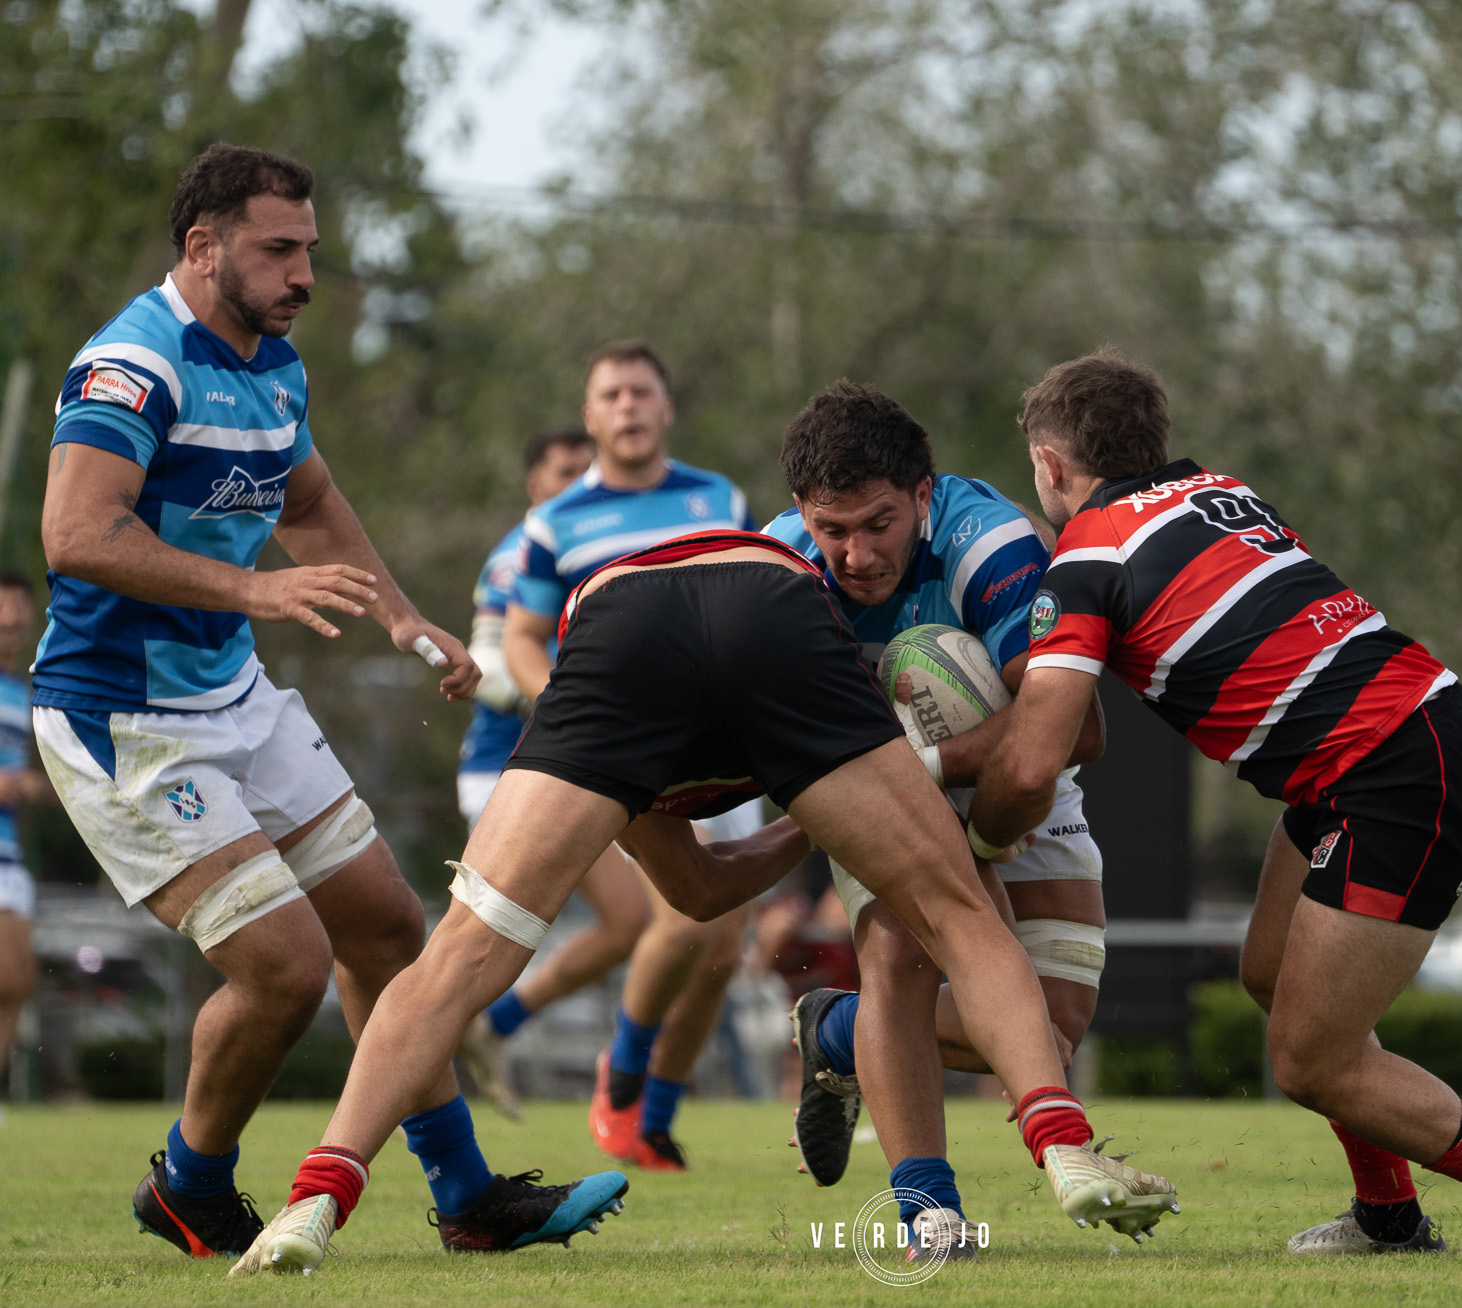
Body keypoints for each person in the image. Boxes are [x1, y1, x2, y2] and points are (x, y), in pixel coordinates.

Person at [229, 527, 1177, 1277]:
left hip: (617, 630)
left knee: (461, 955)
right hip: (767, 605)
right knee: (957, 914)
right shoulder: (792, 586)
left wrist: (823, 816)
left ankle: (319, 1190)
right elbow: (705, 892)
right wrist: (834, 815)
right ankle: (1065, 1144)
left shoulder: (620, 693)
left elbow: (695, 889)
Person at [34, 142, 620, 1260]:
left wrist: (402, 617)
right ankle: (189, 1186)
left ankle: (466, 1197)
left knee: (393, 928)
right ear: (203, 247)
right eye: (280, 249)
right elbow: (75, 533)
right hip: (125, 720)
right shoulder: (130, 366)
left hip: (234, 695)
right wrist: (252, 586)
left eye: (311, 249)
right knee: (286, 967)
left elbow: (308, 497)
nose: (306, 273)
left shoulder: (274, 365)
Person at [968, 348, 1462, 1261]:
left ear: (1051, 465)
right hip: (1382, 747)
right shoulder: (1221, 492)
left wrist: (974, 844)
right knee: (1269, 975)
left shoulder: (1089, 558)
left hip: (1396, 764)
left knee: (1309, 1059)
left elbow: (1033, 765)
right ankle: (1388, 1217)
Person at [762, 381, 1110, 1252]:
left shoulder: (986, 543)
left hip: (1006, 773)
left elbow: (1080, 731)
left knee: (1049, 1027)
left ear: (923, 495)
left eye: (878, 523)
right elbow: (781, 754)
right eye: (831, 529)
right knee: (902, 955)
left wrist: (961, 807)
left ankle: (836, 1031)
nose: (855, 553)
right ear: (802, 512)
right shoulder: (776, 571)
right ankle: (930, 1211)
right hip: (870, 780)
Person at [480, 340, 762, 1170]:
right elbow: (524, 640)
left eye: (643, 391)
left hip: (722, 739)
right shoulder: (555, 523)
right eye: (613, 394)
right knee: (684, 916)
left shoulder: (718, 497)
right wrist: (569, 709)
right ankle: (625, 1077)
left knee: (723, 943)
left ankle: (652, 1114)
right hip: (628, 752)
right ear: (591, 413)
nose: (629, 406)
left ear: (666, 408)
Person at [451, 427, 653, 1121]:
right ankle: (428, 1057)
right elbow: (489, 670)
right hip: (510, 771)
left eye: (585, 469)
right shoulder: (518, 555)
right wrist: (575, 693)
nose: (577, 481)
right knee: (477, 945)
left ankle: (485, 1027)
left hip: (572, 770)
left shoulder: (593, 546)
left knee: (629, 922)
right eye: (563, 471)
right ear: (534, 485)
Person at [0, 572, 58, 1091]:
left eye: (18, 623)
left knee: (17, 982)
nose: (11, 631)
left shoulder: (23, 692)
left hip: (9, 853)